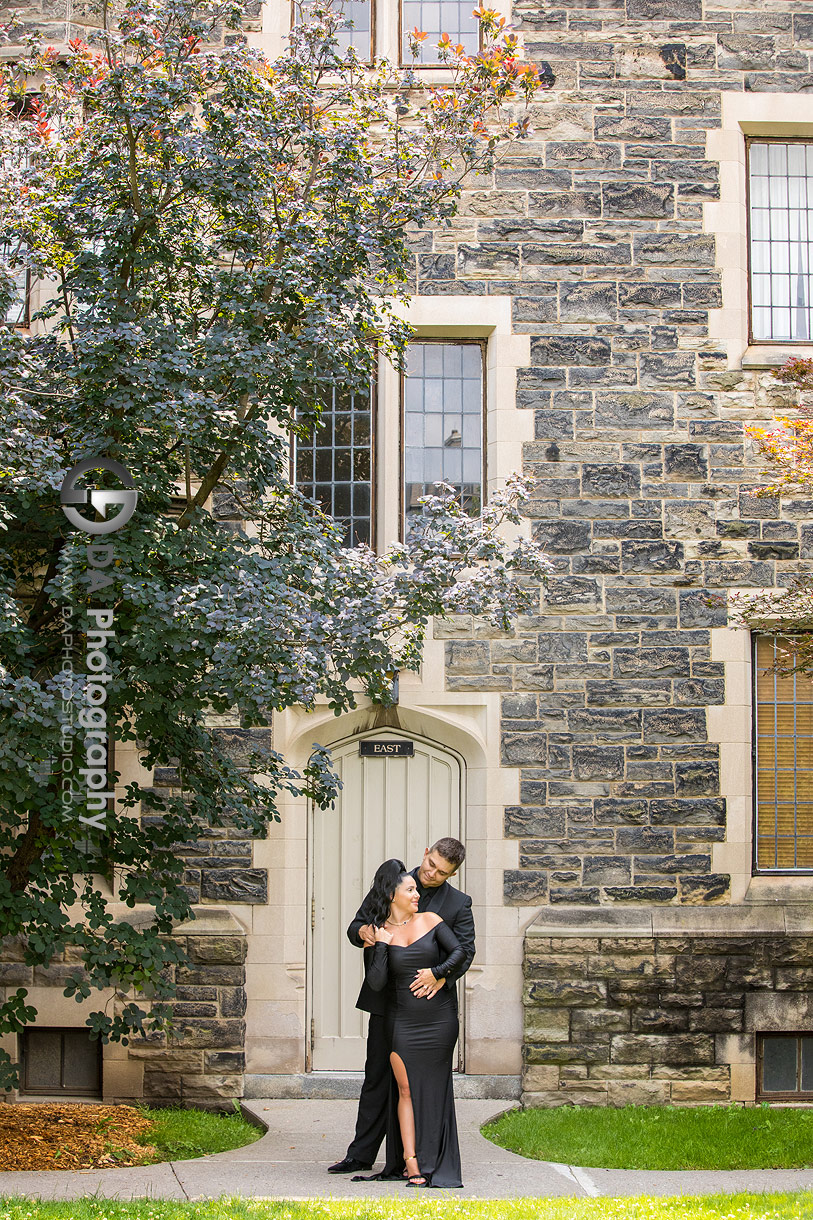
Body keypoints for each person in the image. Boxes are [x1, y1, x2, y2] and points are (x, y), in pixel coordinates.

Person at [328, 837, 474, 1175]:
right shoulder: (392, 884)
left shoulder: (458, 905)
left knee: (419, 1084)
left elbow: (465, 950)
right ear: (426, 853)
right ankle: (360, 1154)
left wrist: (442, 978)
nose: (431, 874)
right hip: (385, 1002)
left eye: (441, 873)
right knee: (377, 1077)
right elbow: (355, 926)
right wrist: (363, 931)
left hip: (427, 1008)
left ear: (451, 875)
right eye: (430, 864)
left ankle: (422, 1156)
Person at [356, 859, 466, 1187]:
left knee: (435, 1090)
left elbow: (460, 952)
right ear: (392, 894)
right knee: (404, 1090)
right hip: (401, 1022)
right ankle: (411, 1162)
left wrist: (438, 973)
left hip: (439, 1020)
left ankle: (436, 1157)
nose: (418, 892)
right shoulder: (382, 932)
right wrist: (383, 945)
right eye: (411, 889)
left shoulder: (432, 920)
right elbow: (375, 983)